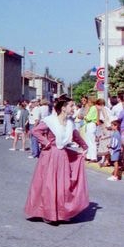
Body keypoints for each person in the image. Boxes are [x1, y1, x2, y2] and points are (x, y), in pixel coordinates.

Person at [24, 94, 89, 224]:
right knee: (49, 185)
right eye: (71, 106)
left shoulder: (70, 123)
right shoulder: (50, 120)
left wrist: (84, 146)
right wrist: (46, 142)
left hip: (62, 156)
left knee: (62, 186)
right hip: (49, 156)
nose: (73, 108)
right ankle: (47, 213)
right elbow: (35, 131)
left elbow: (75, 136)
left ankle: (60, 212)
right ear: (63, 108)